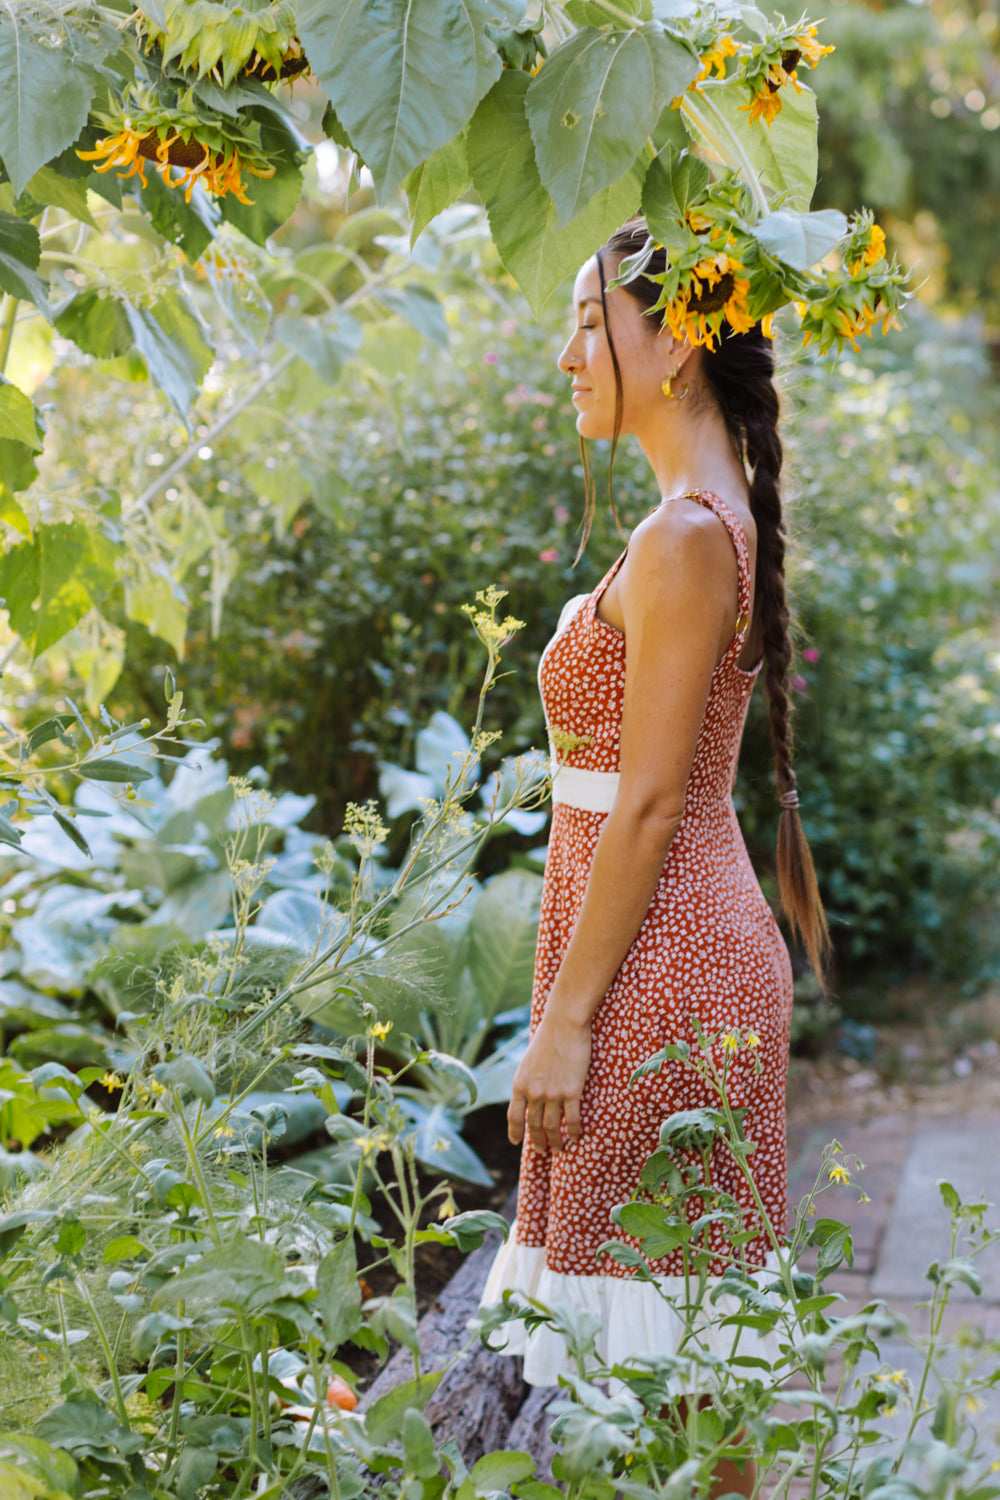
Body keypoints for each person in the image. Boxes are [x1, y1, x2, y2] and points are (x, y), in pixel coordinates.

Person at [475, 215, 832, 1497]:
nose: (567, 353)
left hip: (660, 972)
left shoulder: (687, 535)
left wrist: (564, 1024)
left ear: (672, 342)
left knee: (680, 1366)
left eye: (587, 324)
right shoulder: (687, 522)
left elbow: (647, 805)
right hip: (655, 955)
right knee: (676, 1371)